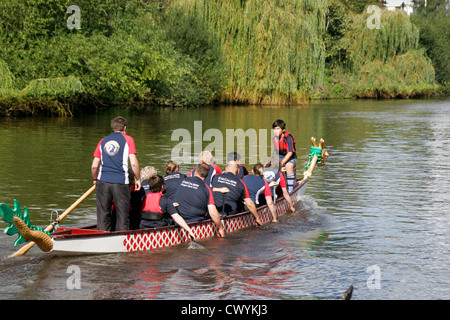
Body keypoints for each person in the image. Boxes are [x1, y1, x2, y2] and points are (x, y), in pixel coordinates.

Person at [91, 116, 141, 231]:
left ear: (113, 128)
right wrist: (137, 179)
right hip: (120, 181)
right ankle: (121, 241)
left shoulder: (102, 140)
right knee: (122, 214)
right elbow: (133, 163)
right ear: (125, 128)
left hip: (102, 181)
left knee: (103, 213)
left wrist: (95, 179)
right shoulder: (128, 139)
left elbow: (94, 165)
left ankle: (101, 237)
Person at [174, 163, 225, 237]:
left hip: (177, 218)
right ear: (207, 176)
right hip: (194, 220)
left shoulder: (182, 181)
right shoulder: (206, 188)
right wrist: (220, 228)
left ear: (195, 172)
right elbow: (212, 212)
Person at [139, 175, 196, 240]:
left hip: (143, 227)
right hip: (159, 230)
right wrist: (189, 230)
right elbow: (177, 218)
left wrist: (170, 205)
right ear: (162, 186)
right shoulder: (165, 200)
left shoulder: (145, 198)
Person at [272, 119, 297, 192]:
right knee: (268, 166)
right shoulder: (274, 139)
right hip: (280, 156)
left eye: (278, 129)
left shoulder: (288, 138)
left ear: (283, 130)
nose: (275, 131)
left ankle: (290, 189)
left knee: (288, 166)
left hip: (291, 158)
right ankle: (272, 188)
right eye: (274, 129)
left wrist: (281, 163)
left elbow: (290, 153)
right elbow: (276, 153)